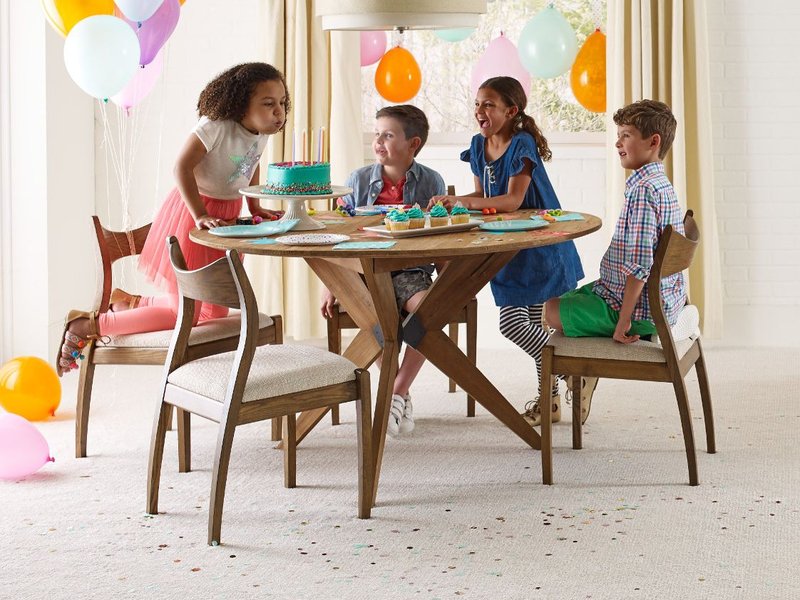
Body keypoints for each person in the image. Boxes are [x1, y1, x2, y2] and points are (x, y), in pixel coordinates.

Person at [57, 62, 289, 376]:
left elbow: (248, 168)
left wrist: (256, 206)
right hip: (193, 215)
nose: (279, 111)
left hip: (226, 219)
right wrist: (201, 214)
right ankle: (90, 323)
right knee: (188, 313)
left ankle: (132, 303)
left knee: (213, 309)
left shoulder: (260, 134)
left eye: (282, 104)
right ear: (241, 105)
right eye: (268, 103)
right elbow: (181, 167)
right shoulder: (216, 126)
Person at [428, 76, 584, 428]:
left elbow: (512, 200)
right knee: (528, 324)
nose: (479, 111)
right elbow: (484, 199)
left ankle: (573, 367)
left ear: (511, 111)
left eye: (489, 104)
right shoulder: (478, 146)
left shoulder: (522, 144)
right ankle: (552, 401)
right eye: (477, 103)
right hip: (508, 247)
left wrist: (463, 202)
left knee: (516, 324)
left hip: (540, 246)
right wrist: (460, 205)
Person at [542, 99, 685, 424]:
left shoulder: (643, 192)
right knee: (565, 298)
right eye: (618, 135)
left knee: (549, 311)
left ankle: (574, 375)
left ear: (653, 142)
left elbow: (639, 265)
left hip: (639, 310)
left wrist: (622, 322)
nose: (618, 143)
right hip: (643, 297)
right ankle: (576, 377)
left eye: (626, 135)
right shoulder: (660, 184)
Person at [321, 105, 445, 436]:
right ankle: (398, 392)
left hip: (411, 271)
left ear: (413, 144)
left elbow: (443, 232)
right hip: (364, 272)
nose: (378, 141)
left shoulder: (432, 181)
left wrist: (449, 279)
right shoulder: (358, 180)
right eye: (377, 133)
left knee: (429, 313)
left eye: (388, 135)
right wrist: (331, 285)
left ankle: (395, 391)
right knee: (378, 319)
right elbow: (340, 233)